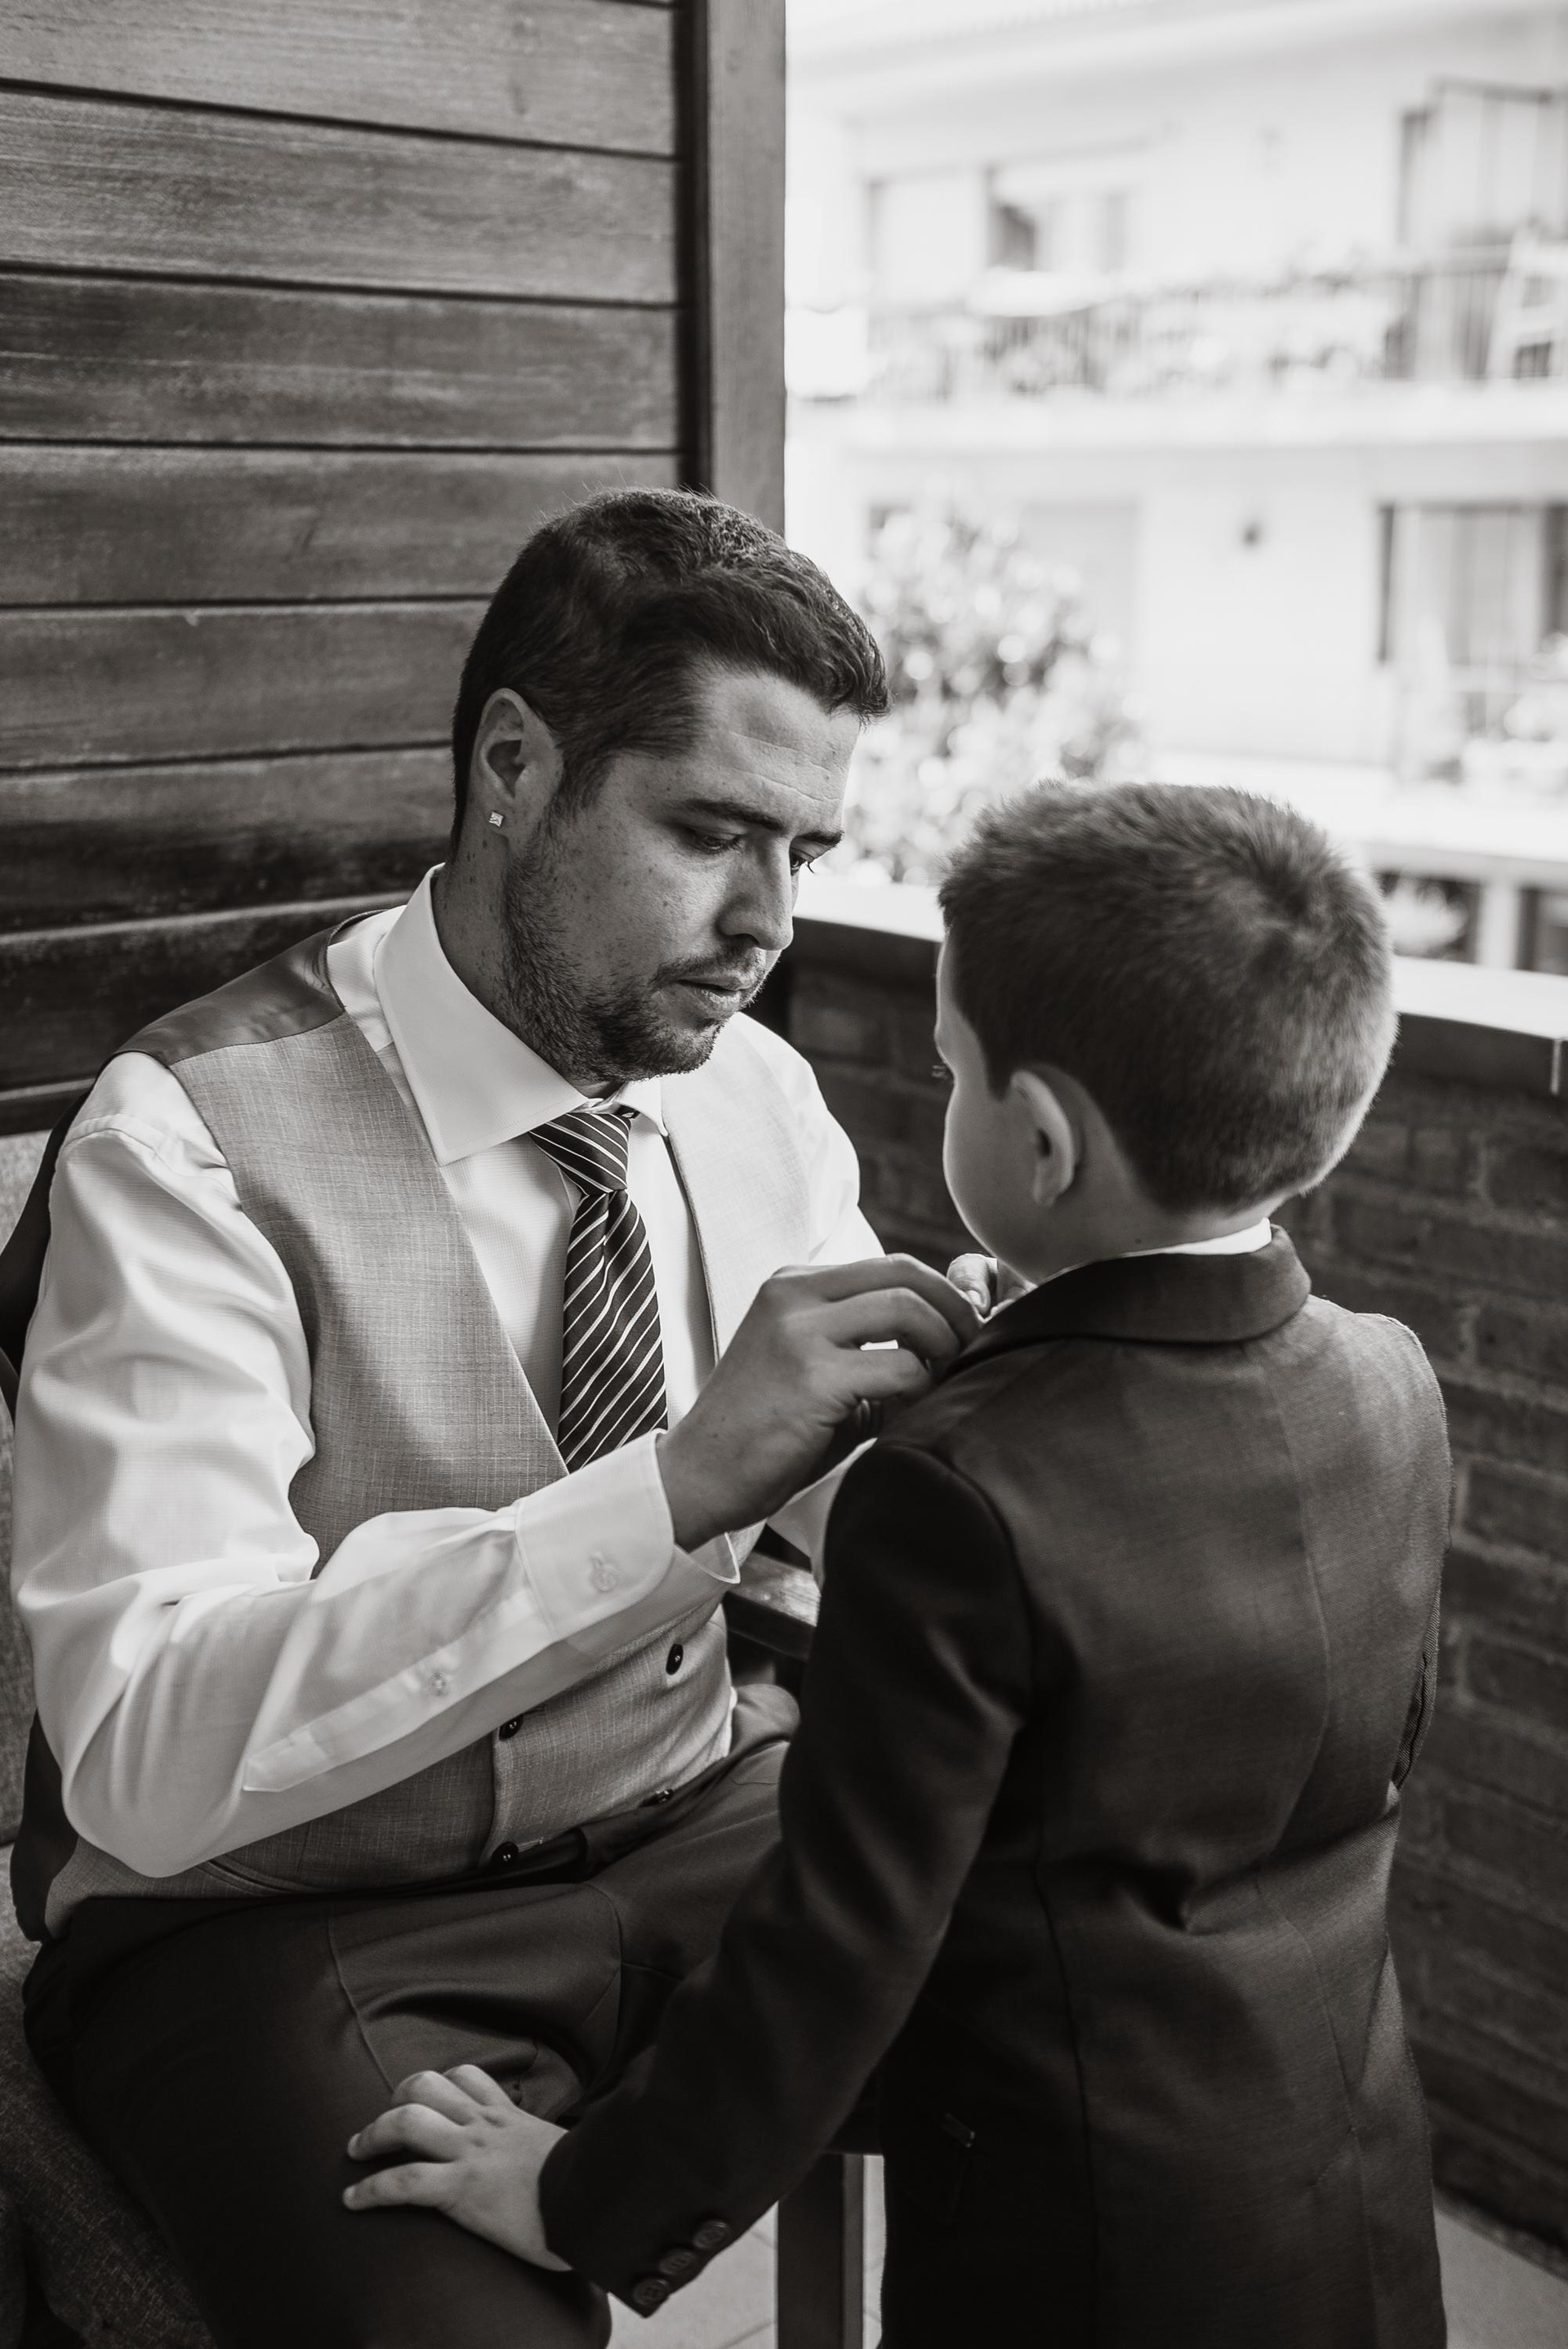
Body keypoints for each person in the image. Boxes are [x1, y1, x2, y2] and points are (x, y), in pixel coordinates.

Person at [2, 488, 982, 2349]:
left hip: (704, 1815)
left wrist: (1019, 1435)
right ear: (515, 767)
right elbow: (139, 1746)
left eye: (803, 850)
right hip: (281, 1926)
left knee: (1138, 2036)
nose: (770, 922)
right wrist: (666, 1493)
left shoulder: (753, 1096)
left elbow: (846, 1492)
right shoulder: (184, 1142)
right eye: (711, 834)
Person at [345, 782, 1452, 2349]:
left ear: (1042, 1140)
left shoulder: (955, 1489)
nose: (941, 1090)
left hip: (1076, 2252)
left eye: (948, 1070)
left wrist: (582, 2195)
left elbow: (836, 1951)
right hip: (1339, 2185)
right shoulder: (1392, 1380)